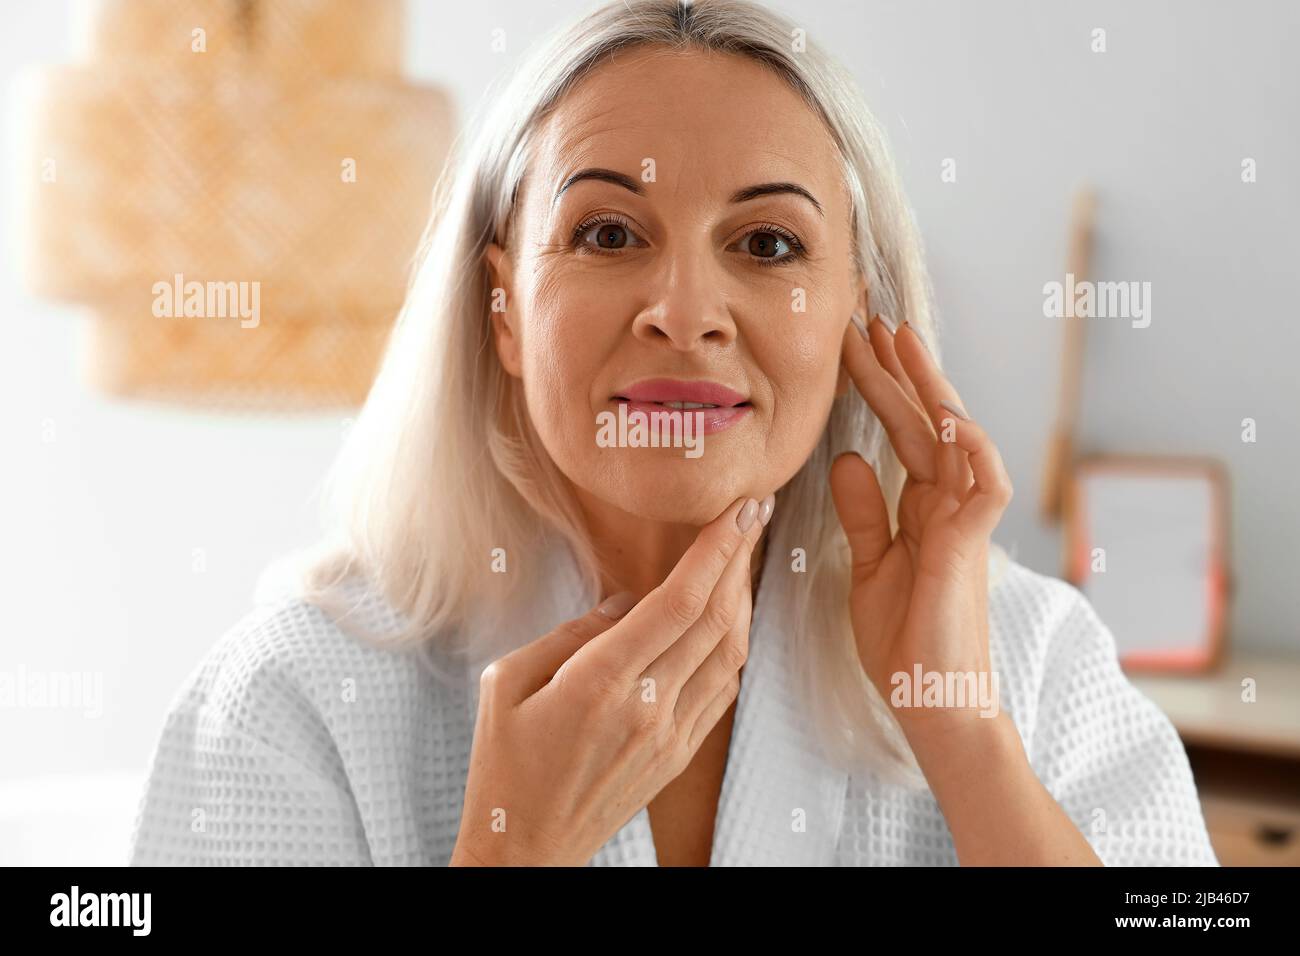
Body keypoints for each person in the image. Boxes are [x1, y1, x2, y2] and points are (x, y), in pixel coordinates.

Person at [128, 0, 1218, 867]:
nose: (684, 309)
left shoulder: (1030, 663)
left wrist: (965, 734)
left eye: (768, 243)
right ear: (503, 311)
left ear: (855, 311)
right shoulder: (292, 699)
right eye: (606, 232)